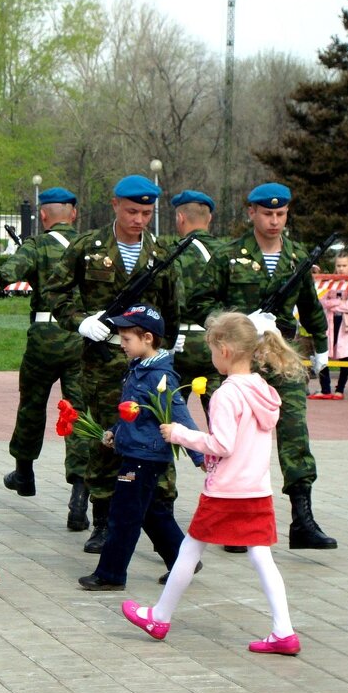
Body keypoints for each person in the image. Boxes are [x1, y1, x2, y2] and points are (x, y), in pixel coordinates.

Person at [122, 311, 303, 654]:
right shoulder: (262, 390)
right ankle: (284, 630)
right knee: (262, 557)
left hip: (226, 491)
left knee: (189, 548)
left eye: (210, 350)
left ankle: (159, 616)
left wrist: (182, 434)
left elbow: (223, 444)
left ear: (225, 349)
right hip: (257, 489)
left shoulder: (226, 394)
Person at [188, 182, 337, 550]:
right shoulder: (228, 255)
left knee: (294, 433)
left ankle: (302, 519)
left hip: (282, 354)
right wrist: (233, 321)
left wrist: (321, 347)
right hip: (241, 358)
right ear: (251, 212)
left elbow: (312, 307)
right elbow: (196, 302)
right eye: (267, 213)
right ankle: (233, 525)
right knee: (234, 440)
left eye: (280, 214)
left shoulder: (296, 256)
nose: (274, 221)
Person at [46, 175, 181, 555]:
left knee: (157, 437)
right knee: (107, 438)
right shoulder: (87, 247)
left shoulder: (161, 254)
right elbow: (55, 293)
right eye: (132, 211)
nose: (139, 219)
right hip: (103, 360)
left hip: (150, 365)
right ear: (115, 205)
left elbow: (172, 309)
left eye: (147, 212)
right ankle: (103, 520)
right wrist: (80, 321)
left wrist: (166, 359)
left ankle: (163, 527)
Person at [0, 187, 91, 531]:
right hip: (83, 335)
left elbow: (11, 269)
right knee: (78, 413)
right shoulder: (88, 247)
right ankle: (79, 497)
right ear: (74, 213)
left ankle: (24, 474)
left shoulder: (36, 247)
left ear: (42, 216)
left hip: (44, 338)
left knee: (32, 405)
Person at [77, 305, 202, 591]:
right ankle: (184, 560)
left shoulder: (161, 377)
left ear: (148, 338)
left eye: (126, 339)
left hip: (144, 456)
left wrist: (199, 454)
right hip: (134, 451)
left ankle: (111, 574)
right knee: (151, 512)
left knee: (123, 515)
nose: (121, 345)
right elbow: (131, 413)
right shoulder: (138, 370)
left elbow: (180, 416)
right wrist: (115, 432)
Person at [167, 190, 224, 414]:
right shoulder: (227, 252)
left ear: (180, 218)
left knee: (169, 415)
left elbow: (171, 299)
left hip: (180, 341)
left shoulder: (173, 254)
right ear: (209, 218)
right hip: (220, 341)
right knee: (220, 417)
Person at [313, 251, 348, 399]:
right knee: (323, 353)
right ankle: (325, 389)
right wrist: (339, 303)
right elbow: (322, 301)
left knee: (345, 357)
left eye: (344, 265)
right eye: (338, 265)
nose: (341, 268)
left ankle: (340, 390)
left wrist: (333, 304)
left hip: (346, 323)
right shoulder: (329, 282)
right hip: (329, 322)